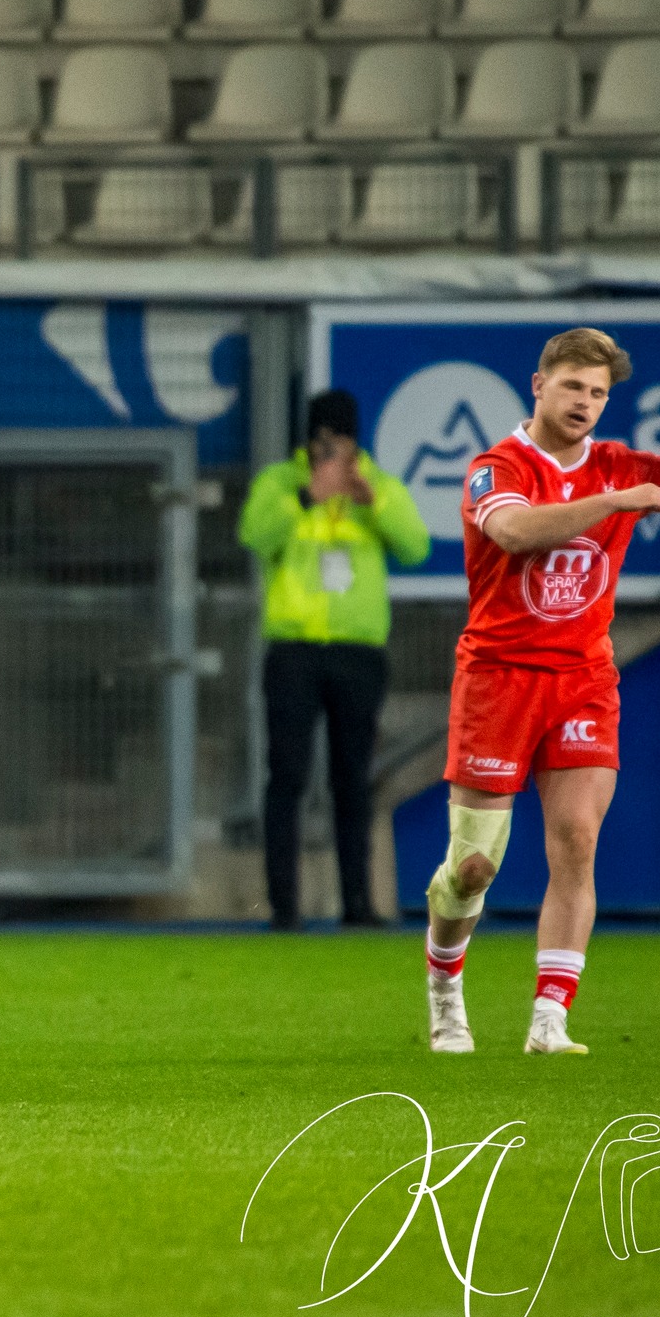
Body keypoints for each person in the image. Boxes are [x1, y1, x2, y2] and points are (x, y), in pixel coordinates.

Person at [423, 329, 660, 1056]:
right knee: (474, 866)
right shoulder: (498, 466)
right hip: (499, 678)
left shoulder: (620, 467)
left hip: (582, 680)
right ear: (538, 384)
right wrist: (616, 500)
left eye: (599, 392)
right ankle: (445, 987)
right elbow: (512, 532)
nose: (585, 402)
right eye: (573, 385)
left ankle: (550, 1018)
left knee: (576, 840)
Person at [241, 390, 430, 930]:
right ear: (308, 438)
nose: (332, 448)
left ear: (355, 439)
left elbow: (416, 547)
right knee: (288, 777)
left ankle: (358, 904)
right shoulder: (280, 483)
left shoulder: (378, 484)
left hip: (357, 652)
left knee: (352, 779)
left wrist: (377, 504)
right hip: (294, 650)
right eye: (322, 438)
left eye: (340, 438)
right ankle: (284, 908)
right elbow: (253, 535)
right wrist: (306, 496)